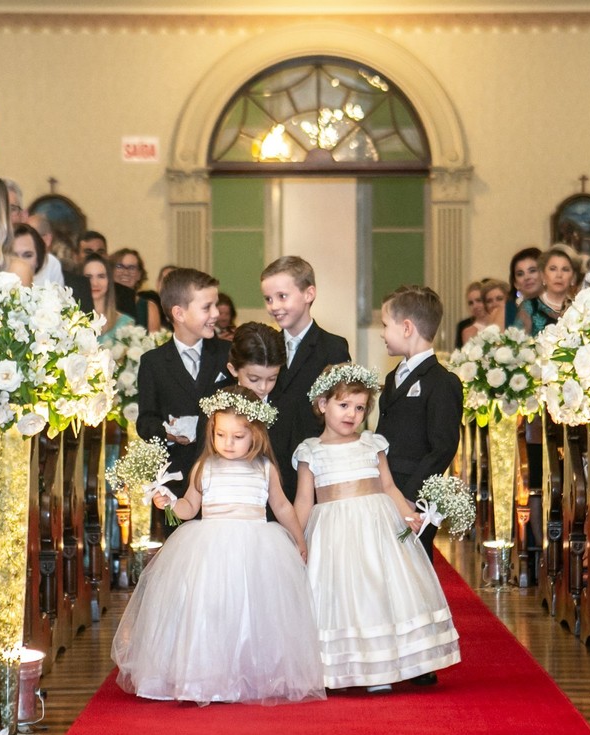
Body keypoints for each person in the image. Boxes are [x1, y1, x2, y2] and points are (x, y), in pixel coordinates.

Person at [112, 386, 325, 705]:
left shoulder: (264, 468)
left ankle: (250, 674)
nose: (228, 443)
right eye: (220, 434)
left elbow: (281, 506)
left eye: (238, 436)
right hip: (209, 551)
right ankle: (204, 677)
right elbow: (189, 508)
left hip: (256, 550)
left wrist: (298, 537)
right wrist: (169, 502)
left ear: (255, 434)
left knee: (251, 612)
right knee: (209, 611)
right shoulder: (205, 467)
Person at [294, 364, 461, 692]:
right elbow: (303, 501)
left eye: (360, 408)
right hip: (333, 536)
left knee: (380, 592)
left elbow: (388, 487)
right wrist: (297, 540)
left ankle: (382, 668)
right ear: (322, 404)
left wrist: (407, 514)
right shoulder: (310, 451)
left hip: (376, 529)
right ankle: (343, 668)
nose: (352, 414)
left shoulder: (372, 444)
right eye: (344, 405)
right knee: (341, 597)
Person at [375, 285, 463, 562]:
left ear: (406, 328)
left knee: (414, 563)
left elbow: (443, 446)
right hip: (385, 485)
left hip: (415, 491)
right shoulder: (393, 377)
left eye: (385, 325)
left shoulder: (442, 382)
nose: (382, 333)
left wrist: (411, 495)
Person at [136, 267, 231, 508]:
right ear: (179, 313)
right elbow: (145, 420)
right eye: (207, 307)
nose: (216, 313)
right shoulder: (153, 362)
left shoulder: (227, 354)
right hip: (177, 479)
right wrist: (167, 432)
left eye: (216, 305)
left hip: (223, 475)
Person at [260, 255, 350, 501]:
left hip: (314, 466)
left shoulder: (333, 347)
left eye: (282, 296)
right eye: (268, 299)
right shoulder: (267, 345)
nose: (274, 306)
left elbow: (340, 406)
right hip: (271, 463)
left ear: (309, 294)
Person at [516, 244, 581, 335]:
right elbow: (517, 341)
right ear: (543, 275)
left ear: (573, 278)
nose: (559, 275)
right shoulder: (530, 307)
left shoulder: (581, 308)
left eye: (565, 269)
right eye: (553, 269)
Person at [224, 321, 285, 400]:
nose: (263, 387)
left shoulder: (289, 401)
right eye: (254, 379)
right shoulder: (219, 400)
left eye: (272, 379)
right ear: (233, 369)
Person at [81, 251, 132, 344]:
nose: (95, 283)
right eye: (88, 277)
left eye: (101, 276)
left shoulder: (125, 324)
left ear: (109, 281)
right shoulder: (70, 322)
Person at [111, 247, 161, 330]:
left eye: (132, 268)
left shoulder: (148, 308)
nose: (126, 272)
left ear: (139, 275)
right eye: (119, 266)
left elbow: (154, 337)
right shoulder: (101, 304)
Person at [504, 246, 542, 326]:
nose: (527, 277)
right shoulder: (509, 310)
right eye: (520, 274)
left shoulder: (562, 304)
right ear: (515, 283)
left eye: (532, 271)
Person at [455, 280, 488, 345]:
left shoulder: (499, 324)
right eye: (471, 303)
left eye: (478, 300)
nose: (475, 306)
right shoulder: (467, 331)